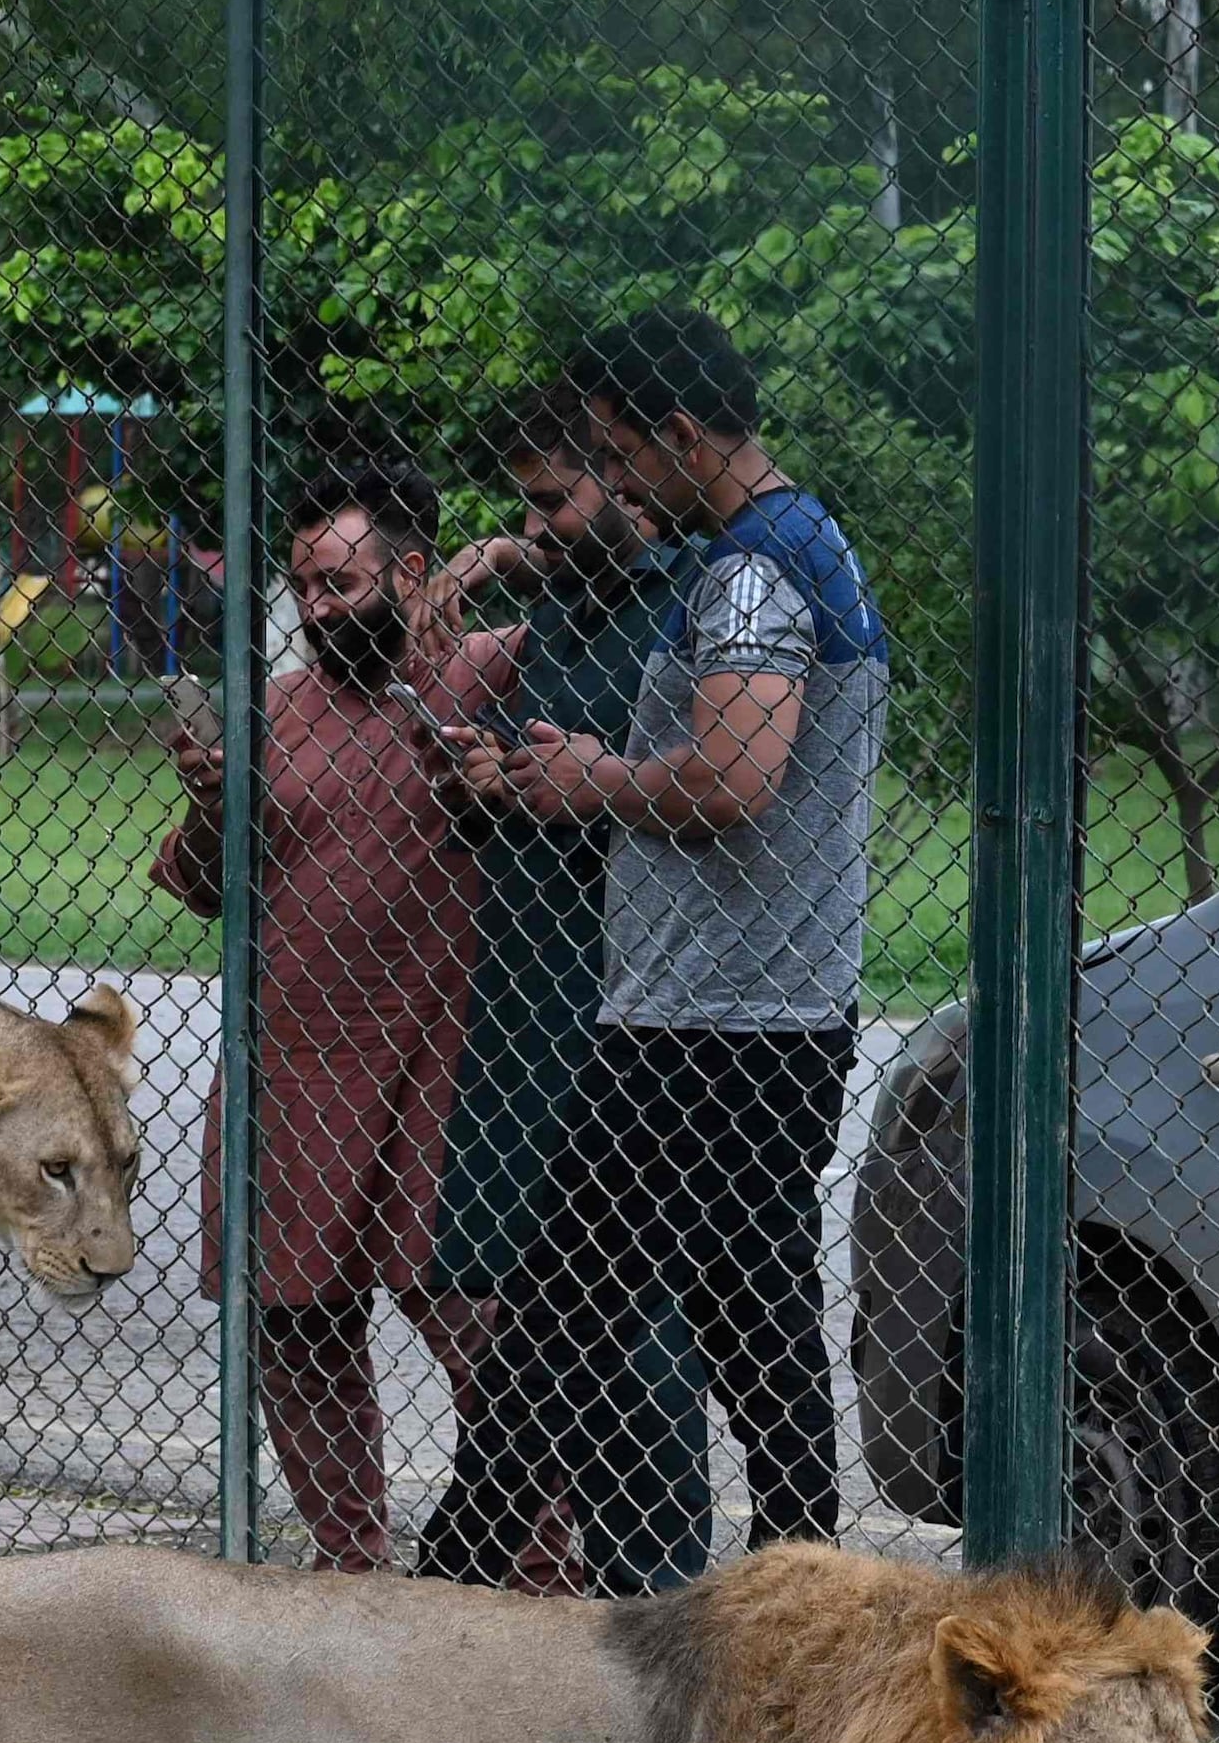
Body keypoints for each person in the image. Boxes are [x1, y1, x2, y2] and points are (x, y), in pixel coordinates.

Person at [423, 307, 888, 1582]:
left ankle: (439, 1598)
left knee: (568, 1325)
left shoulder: (749, 573)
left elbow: (737, 775)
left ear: (682, 435)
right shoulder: (800, 544)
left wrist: (588, 780)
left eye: (622, 457)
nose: (617, 484)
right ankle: (797, 1594)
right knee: (711, 1330)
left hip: (711, 1030)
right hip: (741, 1021)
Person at [154, 453, 521, 1572]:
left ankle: (543, 1560)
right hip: (294, 1068)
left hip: (437, 1060)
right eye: (304, 587)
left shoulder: (489, 673)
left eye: (341, 585)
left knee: (474, 1322)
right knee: (293, 1322)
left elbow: (605, 576)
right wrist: (216, 799)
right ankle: (350, 1557)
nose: (315, 610)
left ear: (410, 575)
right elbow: (210, 888)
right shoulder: (274, 711)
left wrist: (502, 554)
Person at [415, 385, 715, 1595]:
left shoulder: (693, 606)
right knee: (531, 1326)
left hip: (629, 1008)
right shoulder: (555, 610)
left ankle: (658, 1595)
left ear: (623, 477)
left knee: (634, 1334)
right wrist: (493, 778)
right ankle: (538, 1590)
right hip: (526, 1003)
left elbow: (710, 795)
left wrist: (587, 783)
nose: (531, 526)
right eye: (519, 505)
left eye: (551, 500)